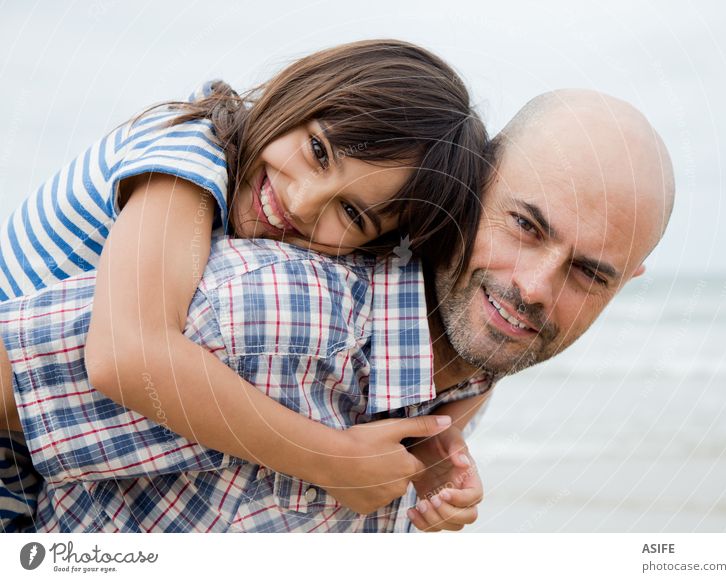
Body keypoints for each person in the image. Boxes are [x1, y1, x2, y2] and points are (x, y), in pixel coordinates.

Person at [0, 88, 675, 532]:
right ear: (469, 189)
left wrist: (439, 450)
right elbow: (109, 355)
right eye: (526, 226)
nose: (534, 286)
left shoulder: (457, 376)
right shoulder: (268, 301)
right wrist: (324, 456)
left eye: (589, 273)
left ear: (626, 283)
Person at [0, 39, 490, 532]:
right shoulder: (189, 154)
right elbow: (126, 353)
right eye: (319, 151)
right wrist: (329, 457)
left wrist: (429, 450)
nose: (301, 202)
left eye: (351, 212)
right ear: (300, 91)